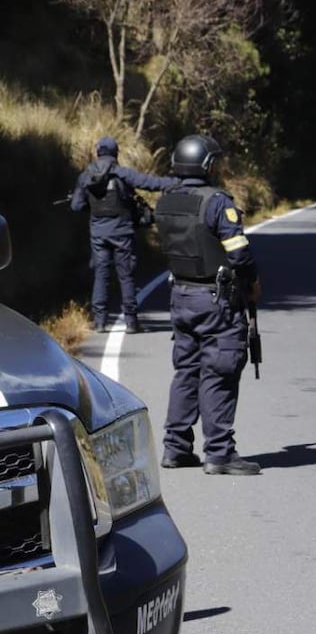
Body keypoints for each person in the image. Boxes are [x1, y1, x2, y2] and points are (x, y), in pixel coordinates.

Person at [155, 134, 262, 475]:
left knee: (186, 369)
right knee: (220, 369)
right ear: (206, 165)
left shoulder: (167, 200)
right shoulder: (217, 202)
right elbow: (239, 253)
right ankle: (219, 453)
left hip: (180, 297)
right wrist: (252, 283)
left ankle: (176, 448)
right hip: (216, 300)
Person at [71, 136, 180, 333]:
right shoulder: (121, 173)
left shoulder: (85, 177)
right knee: (126, 276)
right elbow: (149, 183)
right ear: (115, 153)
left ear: (98, 153)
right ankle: (131, 322)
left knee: (101, 275)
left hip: (98, 234)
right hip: (122, 232)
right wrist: (177, 182)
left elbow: (76, 206)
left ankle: (100, 322)